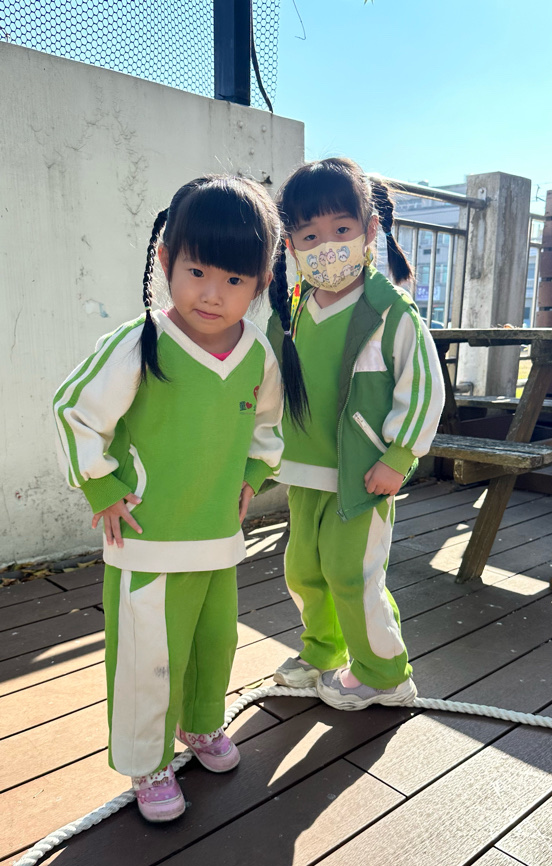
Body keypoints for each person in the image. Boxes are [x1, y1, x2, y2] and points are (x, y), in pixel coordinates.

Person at [54, 175, 291, 822]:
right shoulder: (141, 342)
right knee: (148, 659)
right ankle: (147, 760)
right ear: (165, 261)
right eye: (197, 271)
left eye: (234, 279)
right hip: (148, 541)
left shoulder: (257, 353)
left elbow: (269, 426)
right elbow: (75, 412)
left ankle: (201, 723)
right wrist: (102, 486)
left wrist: (253, 475)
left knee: (213, 644)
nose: (212, 294)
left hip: (218, 539)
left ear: (262, 281)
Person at [267, 157, 445, 710]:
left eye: (341, 229)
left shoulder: (390, 311)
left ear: (370, 230)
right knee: (304, 570)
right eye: (310, 236)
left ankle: (384, 673)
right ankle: (322, 652)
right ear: (291, 245)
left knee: (352, 574)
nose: (327, 246)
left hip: (363, 474)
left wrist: (399, 456)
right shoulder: (292, 310)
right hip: (305, 471)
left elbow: (423, 388)